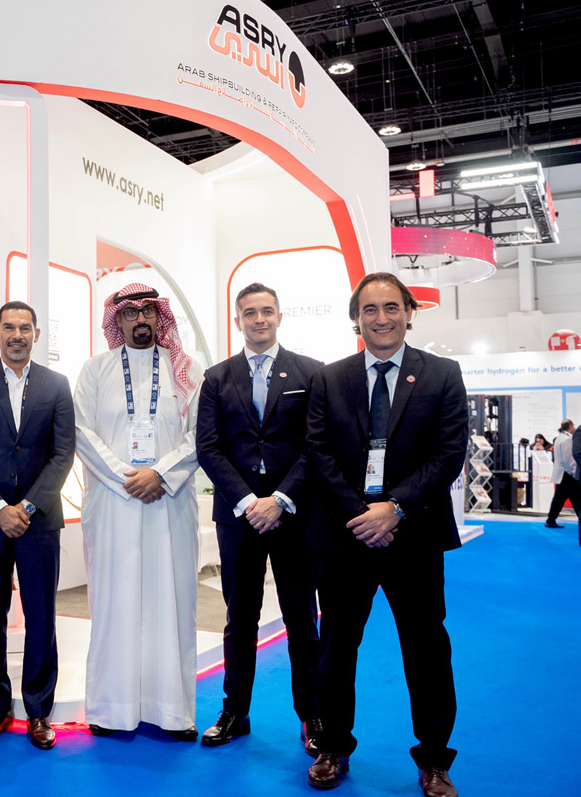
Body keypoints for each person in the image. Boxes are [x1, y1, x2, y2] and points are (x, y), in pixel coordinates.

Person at [304, 273, 467, 797]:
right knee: (336, 650)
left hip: (414, 537)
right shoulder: (330, 378)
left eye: (391, 307)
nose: (381, 318)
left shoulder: (442, 374)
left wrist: (394, 509)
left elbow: (448, 453)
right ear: (356, 318)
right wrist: (362, 514)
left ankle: (435, 760)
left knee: (426, 652)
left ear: (409, 312)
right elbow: (318, 453)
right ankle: (332, 747)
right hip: (344, 535)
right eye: (369, 309)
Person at [195, 282, 322, 753]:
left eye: (267, 311)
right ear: (238, 320)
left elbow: (317, 445)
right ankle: (235, 711)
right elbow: (208, 448)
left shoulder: (311, 373)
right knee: (239, 618)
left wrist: (280, 498)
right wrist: (250, 501)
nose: (259, 319)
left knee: (301, 619)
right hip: (238, 516)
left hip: (294, 515)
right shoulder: (217, 377)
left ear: (279, 316)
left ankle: (313, 715)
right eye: (250, 312)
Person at [73, 284, 203, 740]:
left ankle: (172, 712)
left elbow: (201, 436)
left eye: (149, 311)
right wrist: (127, 477)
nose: (141, 319)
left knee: (172, 603)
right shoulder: (95, 370)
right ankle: (112, 709)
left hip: (170, 504)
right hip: (114, 505)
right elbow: (81, 432)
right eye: (131, 313)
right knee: (115, 602)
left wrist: (160, 474)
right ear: (118, 320)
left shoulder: (187, 371)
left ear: (159, 316)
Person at [0, 301, 76, 750]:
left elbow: (63, 453)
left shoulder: (57, 385)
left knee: (41, 616)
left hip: (39, 520)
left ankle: (39, 712)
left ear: (36, 335)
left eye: (25, 328)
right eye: (9, 327)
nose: (17, 335)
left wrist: (24, 507)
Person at [544, 420, 580, 529]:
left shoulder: (560, 438)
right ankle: (551, 519)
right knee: (575, 498)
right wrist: (574, 472)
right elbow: (568, 459)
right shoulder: (567, 440)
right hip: (567, 474)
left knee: (560, 498)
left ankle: (551, 519)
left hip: (562, 473)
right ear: (570, 427)